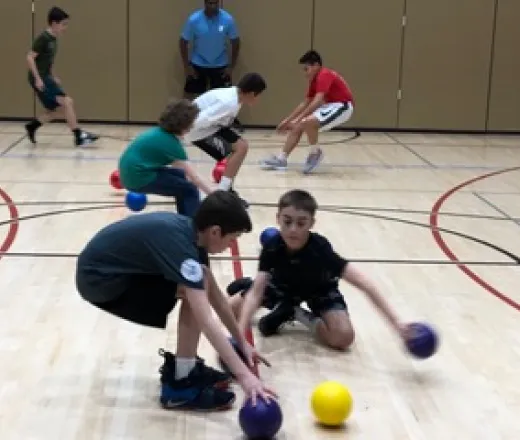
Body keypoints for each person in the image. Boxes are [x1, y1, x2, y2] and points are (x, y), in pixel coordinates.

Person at [75, 191, 276, 410]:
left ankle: (185, 369)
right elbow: (206, 320)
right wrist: (245, 377)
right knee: (192, 291)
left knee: (200, 282)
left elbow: (216, 297)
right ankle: (180, 386)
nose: (230, 245)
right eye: (232, 239)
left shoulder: (192, 233)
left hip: (109, 272)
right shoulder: (182, 247)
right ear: (216, 231)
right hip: (99, 280)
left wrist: (242, 342)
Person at [226, 189, 410, 351]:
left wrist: (397, 324)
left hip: (318, 291)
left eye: (301, 223)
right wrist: (240, 336)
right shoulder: (272, 246)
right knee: (229, 311)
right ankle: (270, 297)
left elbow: (364, 283)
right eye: (287, 221)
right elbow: (257, 292)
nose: (293, 229)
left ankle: (296, 313)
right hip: (281, 285)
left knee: (343, 337)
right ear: (278, 218)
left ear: (312, 223)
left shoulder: (320, 249)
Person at [261, 50, 355, 174]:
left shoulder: (324, 74)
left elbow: (317, 101)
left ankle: (315, 152)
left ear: (316, 65)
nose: (305, 73)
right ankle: (282, 159)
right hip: (331, 106)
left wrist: (298, 119)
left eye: (306, 69)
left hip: (342, 106)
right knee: (301, 124)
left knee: (306, 122)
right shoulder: (314, 80)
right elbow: (305, 102)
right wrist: (288, 120)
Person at [118, 98, 215, 218]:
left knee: (181, 177)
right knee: (190, 189)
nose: (193, 126)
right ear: (184, 125)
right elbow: (194, 178)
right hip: (137, 178)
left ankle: (183, 219)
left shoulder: (159, 132)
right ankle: (192, 228)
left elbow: (185, 173)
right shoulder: (171, 144)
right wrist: (214, 195)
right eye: (191, 123)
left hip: (130, 172)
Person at [183, 73, 267, 208]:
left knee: (237, 150)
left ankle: (226, 190)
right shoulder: (228, 103)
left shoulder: (234, 96)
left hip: (208, 128)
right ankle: (223, 194)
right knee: (240, 148)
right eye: (259, 95)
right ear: (252, 93)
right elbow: (200, 120)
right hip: (195, 131)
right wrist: (179, 132)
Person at [25, 6, 98, 147]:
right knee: (67, 102)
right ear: (54, 24)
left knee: (58, 110)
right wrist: (38, 79)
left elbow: (48, 60)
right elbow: (29, 57)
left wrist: (53, 75)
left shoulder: (54, 39)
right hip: (39, 78)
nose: (65, 28)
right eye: (63, 24)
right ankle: (78, 136)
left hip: (46, 77)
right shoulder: (43, 38)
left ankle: (33, 126)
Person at [180, 0, 243, 131]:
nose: (212, 6)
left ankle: (226, 124)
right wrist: (187, 66)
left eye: (215, 3)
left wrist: (231, 67)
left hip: (221, 65)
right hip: (198, 63)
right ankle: (182, 123)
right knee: (190, 95)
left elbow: (235, 42)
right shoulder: (194, 20)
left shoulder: (227, 19)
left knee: (227, 98)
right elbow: (183, 41)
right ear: (204, 3)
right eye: (209, 3)